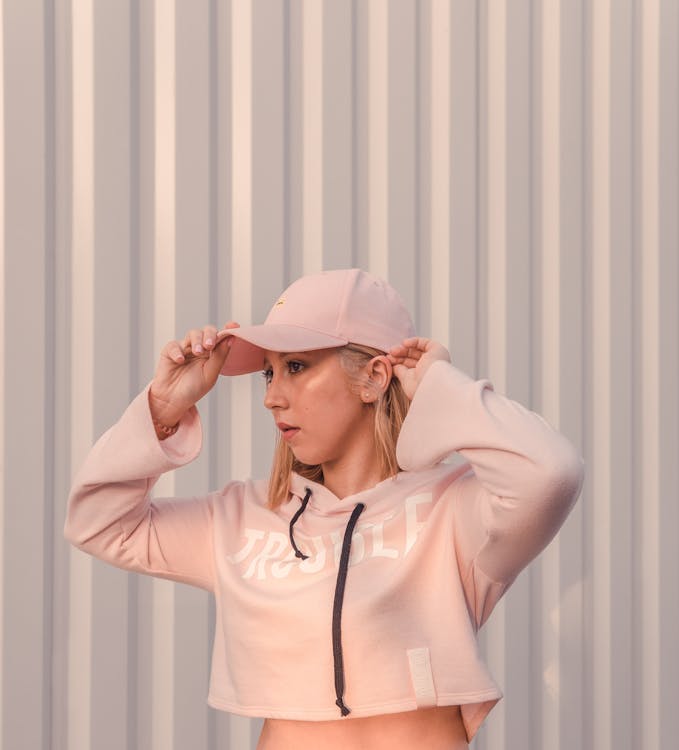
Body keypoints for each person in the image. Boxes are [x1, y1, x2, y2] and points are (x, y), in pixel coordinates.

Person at [64, 268, 584, 750]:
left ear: (375, 376)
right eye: (268, 374)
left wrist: (438, 386)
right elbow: (98, 523)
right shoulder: (240, 519)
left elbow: (551, 472)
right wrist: (164, 407)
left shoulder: (455, 510)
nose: (272, 397)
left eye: (295, 367)